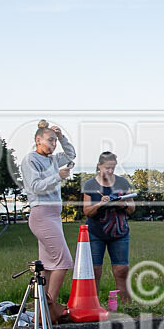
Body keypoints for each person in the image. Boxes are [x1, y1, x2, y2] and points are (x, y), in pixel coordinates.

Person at [20, 120, 76, 303]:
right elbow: (35, 187)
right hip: (41, 214)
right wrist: (57, 176)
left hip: (53, 215)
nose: (53, 144)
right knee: (64, 262)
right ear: (38, 140)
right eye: (50, 140)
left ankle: (42, 307)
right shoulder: (30, 160)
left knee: (47, 266)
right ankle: (49, 306)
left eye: (55, 141)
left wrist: (62, 137)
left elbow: (71, 154)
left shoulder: (52, 159)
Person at [82, 151, 135, 302]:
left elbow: (132, 208)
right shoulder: (90, 185)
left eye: (113, 168)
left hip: (120, 233)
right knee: (94, 270)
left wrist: (121, 203)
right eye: (107, 168)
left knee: (121, 269)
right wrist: (100, 204)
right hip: (95, 233)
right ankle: (93, 304)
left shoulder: (123, 183)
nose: (110, 171)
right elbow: (87, 211)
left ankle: (127, 304)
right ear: (99, 166)